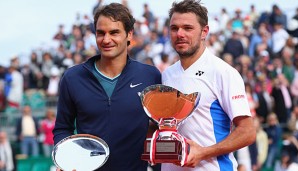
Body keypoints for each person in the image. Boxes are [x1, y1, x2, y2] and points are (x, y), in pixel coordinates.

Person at [53, 2, 161, 171]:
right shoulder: (72, 78)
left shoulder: (150, 76)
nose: (106, 39)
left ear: (129, 34)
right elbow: (62, 128)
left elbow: (159, 124)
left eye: (114, 32)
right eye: (100, 33)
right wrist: (66, 160)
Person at [161, 0, 256, 170]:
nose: (180, 34)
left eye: (188, 28)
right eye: (174, 28)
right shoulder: (167, 74)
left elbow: (247, 132)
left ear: (204, 31)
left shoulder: (223, 72)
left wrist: (203, 152)